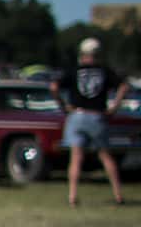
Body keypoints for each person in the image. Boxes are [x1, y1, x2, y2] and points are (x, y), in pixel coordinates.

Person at [51, 38, 128, 207]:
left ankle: (72, 196)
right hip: (97, 116)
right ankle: (118, 195)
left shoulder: (74, 70)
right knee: (105, 156)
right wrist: (115, 106)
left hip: (77, 115)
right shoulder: (104, 70)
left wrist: (63, 105)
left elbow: (54, 87)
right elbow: (123, 86)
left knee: (76, 157)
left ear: (82, 54)